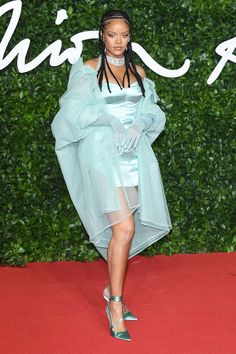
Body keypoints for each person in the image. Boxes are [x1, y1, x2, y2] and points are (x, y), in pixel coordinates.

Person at [51, 9, 172, 342]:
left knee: (125, 232)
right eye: (112, 35)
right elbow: (70, 113)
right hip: (102, 156)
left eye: (124, 35)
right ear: (101, 36)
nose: (118, 41)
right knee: (125, 227)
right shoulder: (88, 70)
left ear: (129, 37)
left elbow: (152, 111)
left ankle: (110, 289)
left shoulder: (139, 72)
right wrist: (109, 120)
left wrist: (139, 123)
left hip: (133, 157)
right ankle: (115, 305)